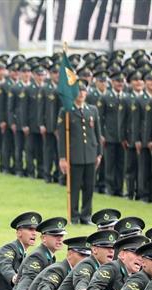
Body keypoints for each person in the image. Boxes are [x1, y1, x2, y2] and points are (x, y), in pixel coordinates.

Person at [57, 84, 102, 224]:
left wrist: (99, 153)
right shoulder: (66, 111)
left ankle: (86, 215)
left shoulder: (92, 110)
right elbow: (62, 137)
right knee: (74, 187)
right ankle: (74, 215)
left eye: (83, 91)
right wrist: (63, 157)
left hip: (90, 153)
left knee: (89, 187)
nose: (81, 94)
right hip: (74, 155)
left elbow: (97, 133)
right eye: (78, 91)